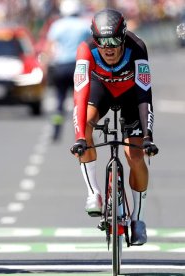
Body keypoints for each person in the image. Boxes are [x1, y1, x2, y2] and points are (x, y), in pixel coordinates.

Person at [70, 9, 159, 246]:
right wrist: (80, 136)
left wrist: (148, 135)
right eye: (102, 41)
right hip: (101, 91)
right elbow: (79, 94)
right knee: (85, 126)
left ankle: (138, 219)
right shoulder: (85, 50)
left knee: (135, 156)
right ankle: (94, 192)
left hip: (131, 96)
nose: (108, 47)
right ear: (94, 39)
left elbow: (144, 96)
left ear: (123, 36)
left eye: (113, 41)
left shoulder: (137, 47)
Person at [44, 0, 90, 141]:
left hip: (61, 67)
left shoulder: (57, 26)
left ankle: (56, 132)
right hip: (79, 67)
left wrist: (45, 68)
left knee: (59, 101)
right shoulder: (84, 25)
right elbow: (91, 46)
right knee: (81, 101)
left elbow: (48, 48)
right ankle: (85, 132)